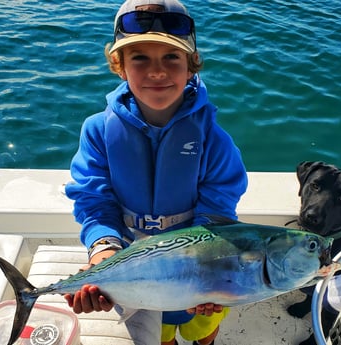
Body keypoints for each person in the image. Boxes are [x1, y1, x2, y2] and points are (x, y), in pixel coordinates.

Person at [63, 0, 248, 344]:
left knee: (204, 330)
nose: (157, 71)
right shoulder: (97, 130)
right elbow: (93, 199)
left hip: (201, 269)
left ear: (192, 66)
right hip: (132, 268)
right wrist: (104, 249)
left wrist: (207, 276)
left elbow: (217, 213)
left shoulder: (214, 140)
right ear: (119, 66)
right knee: (158, 337)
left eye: (171, 58)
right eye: (140, 58)